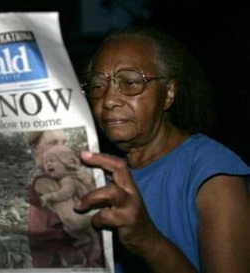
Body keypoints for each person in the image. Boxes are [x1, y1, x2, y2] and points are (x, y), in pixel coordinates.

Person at [75, 26, 250, 272]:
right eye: (97, 86)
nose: (109, 99)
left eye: (130, 82)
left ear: (168, 94)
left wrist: (147, 241)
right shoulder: (92, 170)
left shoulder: (212, 171)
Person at [27, 129, 102, 267]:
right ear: (35, 147)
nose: (61, 147)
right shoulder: (44, 180)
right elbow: (75, 221)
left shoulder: (60, 174)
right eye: (53, 142)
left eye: (64, 142)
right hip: (61, 258)